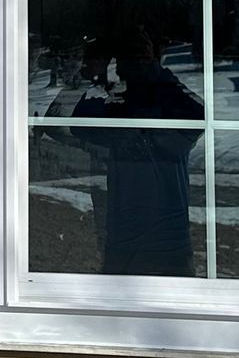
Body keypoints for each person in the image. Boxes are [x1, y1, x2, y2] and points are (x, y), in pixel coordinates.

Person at [75, 28, 204, 276]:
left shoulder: (170, 98)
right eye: (127, 57)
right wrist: (98, 78)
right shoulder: (116, 104)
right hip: (125, 227)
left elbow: (199, 114)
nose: (133, 64)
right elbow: (76, 125)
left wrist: (154, 72)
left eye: (140, 56)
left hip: (168, 228)